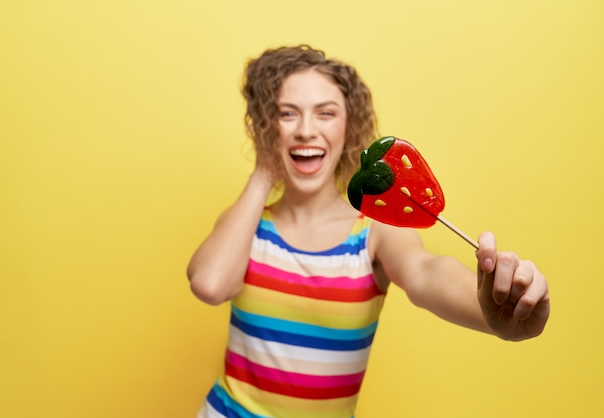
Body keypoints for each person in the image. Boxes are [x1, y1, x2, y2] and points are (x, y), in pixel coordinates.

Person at [187, 45, 550, 418]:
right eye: (286, 114)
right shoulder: (246, 224)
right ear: (267, 126)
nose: (305, 130)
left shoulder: (373, 233)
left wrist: (493, 311)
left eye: (325, 113)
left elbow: (424, 271)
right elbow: (210, 284)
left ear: (350, 126)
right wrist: (264, 170)